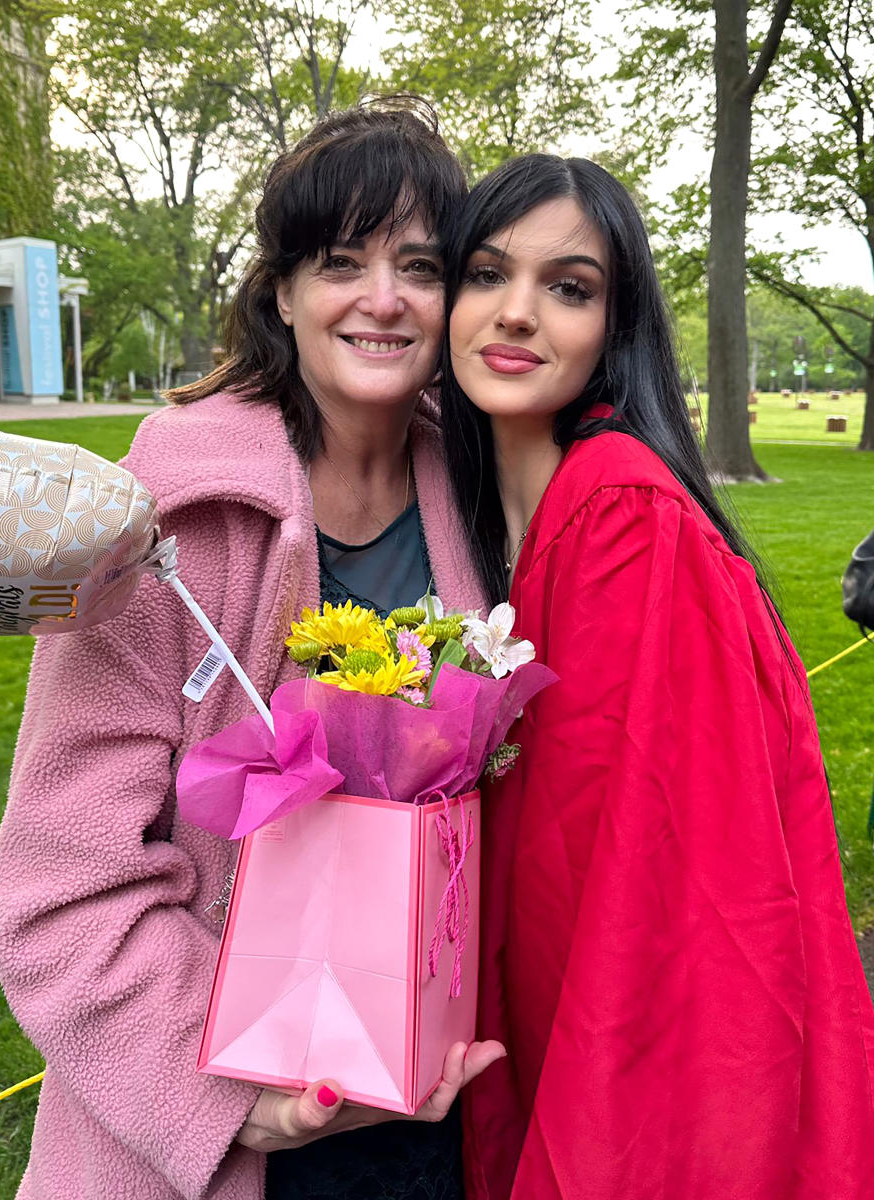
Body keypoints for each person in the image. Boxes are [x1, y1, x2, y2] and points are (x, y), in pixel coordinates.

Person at [0, 99, 503, 1200]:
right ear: (281, 290)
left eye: (419, 264)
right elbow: (66, 886)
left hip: (436, 1123)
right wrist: (235, 1100)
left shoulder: (481, 502)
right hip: (221, 1144)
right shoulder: (166, 525)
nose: (383, 298)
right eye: (340, 261)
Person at [438, 154, 874, 1199]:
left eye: (569, 288)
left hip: (636, 1079)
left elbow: (672, 898)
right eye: (487, 274)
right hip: (530, 1021)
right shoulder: (506, 522)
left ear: (615, 326)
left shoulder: (627, 522)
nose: (518, 314)